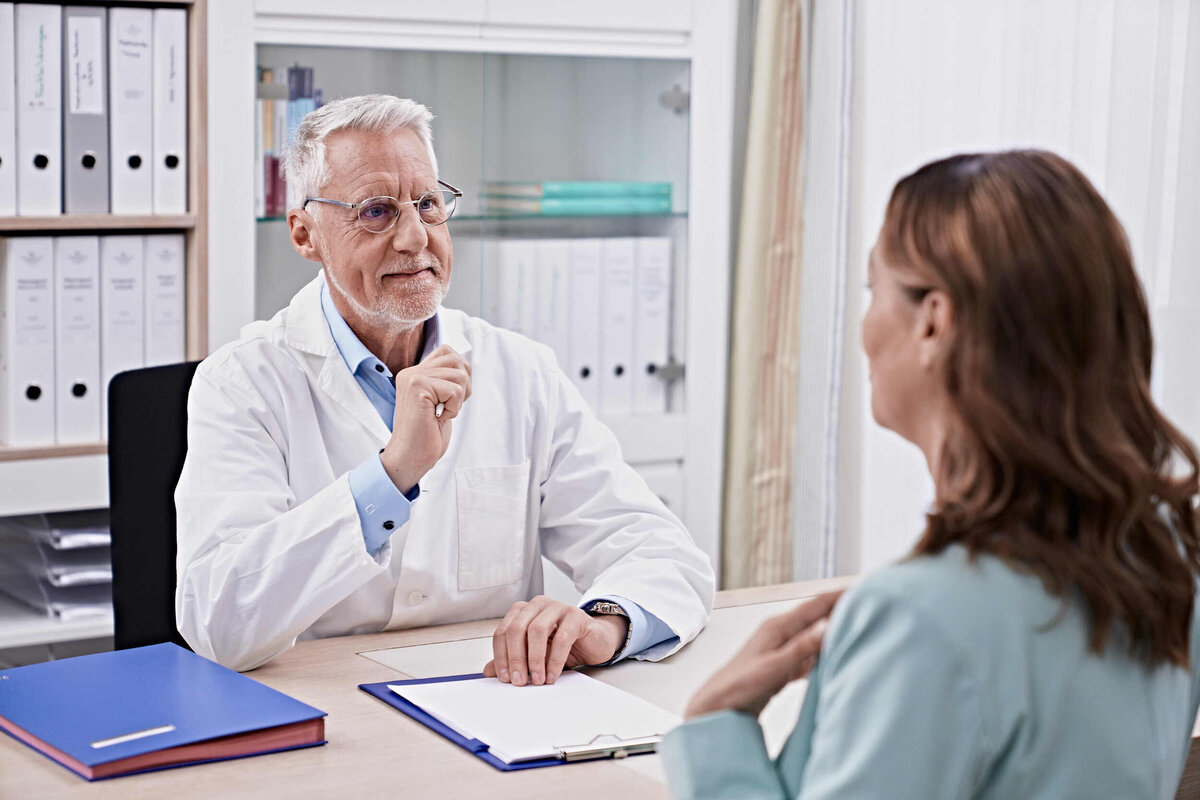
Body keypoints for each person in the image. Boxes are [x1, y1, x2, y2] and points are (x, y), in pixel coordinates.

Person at [661, 150, 1200, 798]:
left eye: (872, 291)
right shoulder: (1165, 558)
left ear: (933, 321)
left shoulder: (922, 619)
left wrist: (716, 729)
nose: (864, 326)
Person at [174, 94, 714, 675]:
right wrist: (389, 476)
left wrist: (607, 624)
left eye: (428, 203)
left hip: (489, 709)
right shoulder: (242, 384)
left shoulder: (520, 371)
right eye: (376, 211)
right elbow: (219, 622)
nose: (415, 238)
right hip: (321, 719)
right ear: (306, 235)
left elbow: (660, 550)